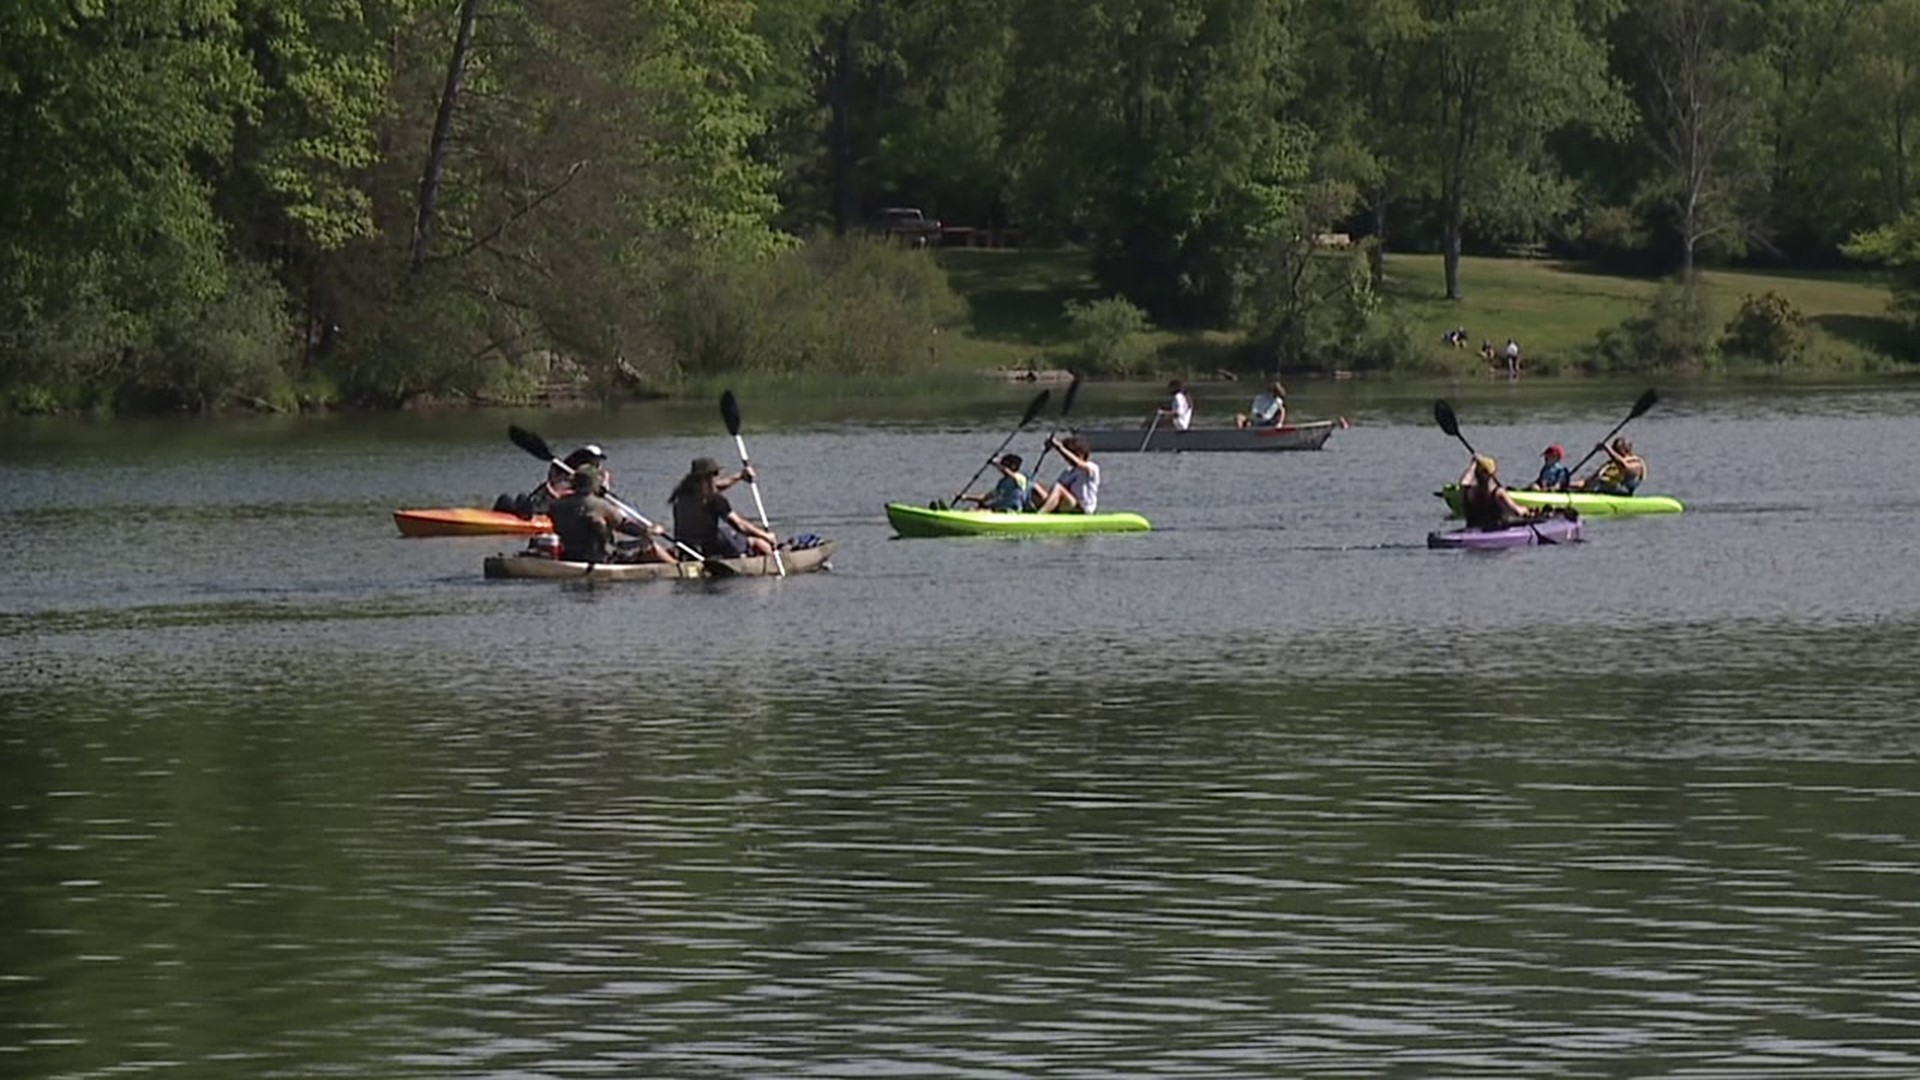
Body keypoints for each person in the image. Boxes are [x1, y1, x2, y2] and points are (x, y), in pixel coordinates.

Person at [546, 465, 675, 563]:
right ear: (595, 483)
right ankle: (677, 567)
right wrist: (651, 530)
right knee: (650, 546)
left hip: (570, 553)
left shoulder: (557, 504)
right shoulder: (599, 505)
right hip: (602, 556)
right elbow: (625, 526)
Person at [669, 456, 776, 557]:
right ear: (707, 478)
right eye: (714, 475)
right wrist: (766, 536)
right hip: (710, 547)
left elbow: (718, 486)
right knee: (755, 541)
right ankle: (774, 556)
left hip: (685, 546)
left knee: (726, 531)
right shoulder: (714, 500)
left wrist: (739, 476)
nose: (715, 478)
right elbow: (740, 526)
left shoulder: (681, 493)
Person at [495, 444, 606, 517]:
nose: (595, 461)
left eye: (596, 459)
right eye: (591, 458)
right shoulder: (565, 469)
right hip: (547, 501)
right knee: (510, 498)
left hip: (559, 508)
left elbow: (590, 495)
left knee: (527, 506)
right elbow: (553, 481)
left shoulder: (599, 476)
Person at [1457, 455, 1538, 531]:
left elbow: (1463, 482)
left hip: (1472, 530)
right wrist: (1526, 510)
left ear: (1476, 472)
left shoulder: (1469, 492)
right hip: (1495, 532)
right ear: (1493, 473)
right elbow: (1516, 512)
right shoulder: (1498, 493)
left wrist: (1473, 465)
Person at [1031, 435, 1100, 514]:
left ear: (1080, 454)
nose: (1066, 459)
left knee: (1058, 488)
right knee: (1034, 486)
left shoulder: (1092, 467)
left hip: (1082, 508)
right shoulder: (1067, 472)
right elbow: (1053, 493)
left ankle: (1040, 515)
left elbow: (1077, 463)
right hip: (1065, 504)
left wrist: (1059, 448)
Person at [959, 453, 1029, 512]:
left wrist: (996, 464)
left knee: (975, 511)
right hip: (998, 509)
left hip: (1011, 511)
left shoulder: (1020, 478)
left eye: (1004, 465)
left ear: (1013, 467)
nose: (1000, 469)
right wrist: (966, 497)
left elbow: (1010, 474)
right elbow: (986, 497)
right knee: (971, 510)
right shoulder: (1002, 482)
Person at [1578, 437, 1646, 495]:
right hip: (1601, 490)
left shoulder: (1637, 464)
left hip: (1623, 493)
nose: (1614, 454)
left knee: (1598, 485)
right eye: (1614, 450)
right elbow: (1588, 482)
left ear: (1627, 451)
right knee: (1587, 483)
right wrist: (1568, 484)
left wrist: (1607, 448)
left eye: (1617, 451)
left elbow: (1624, 466)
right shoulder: (1609, 465)